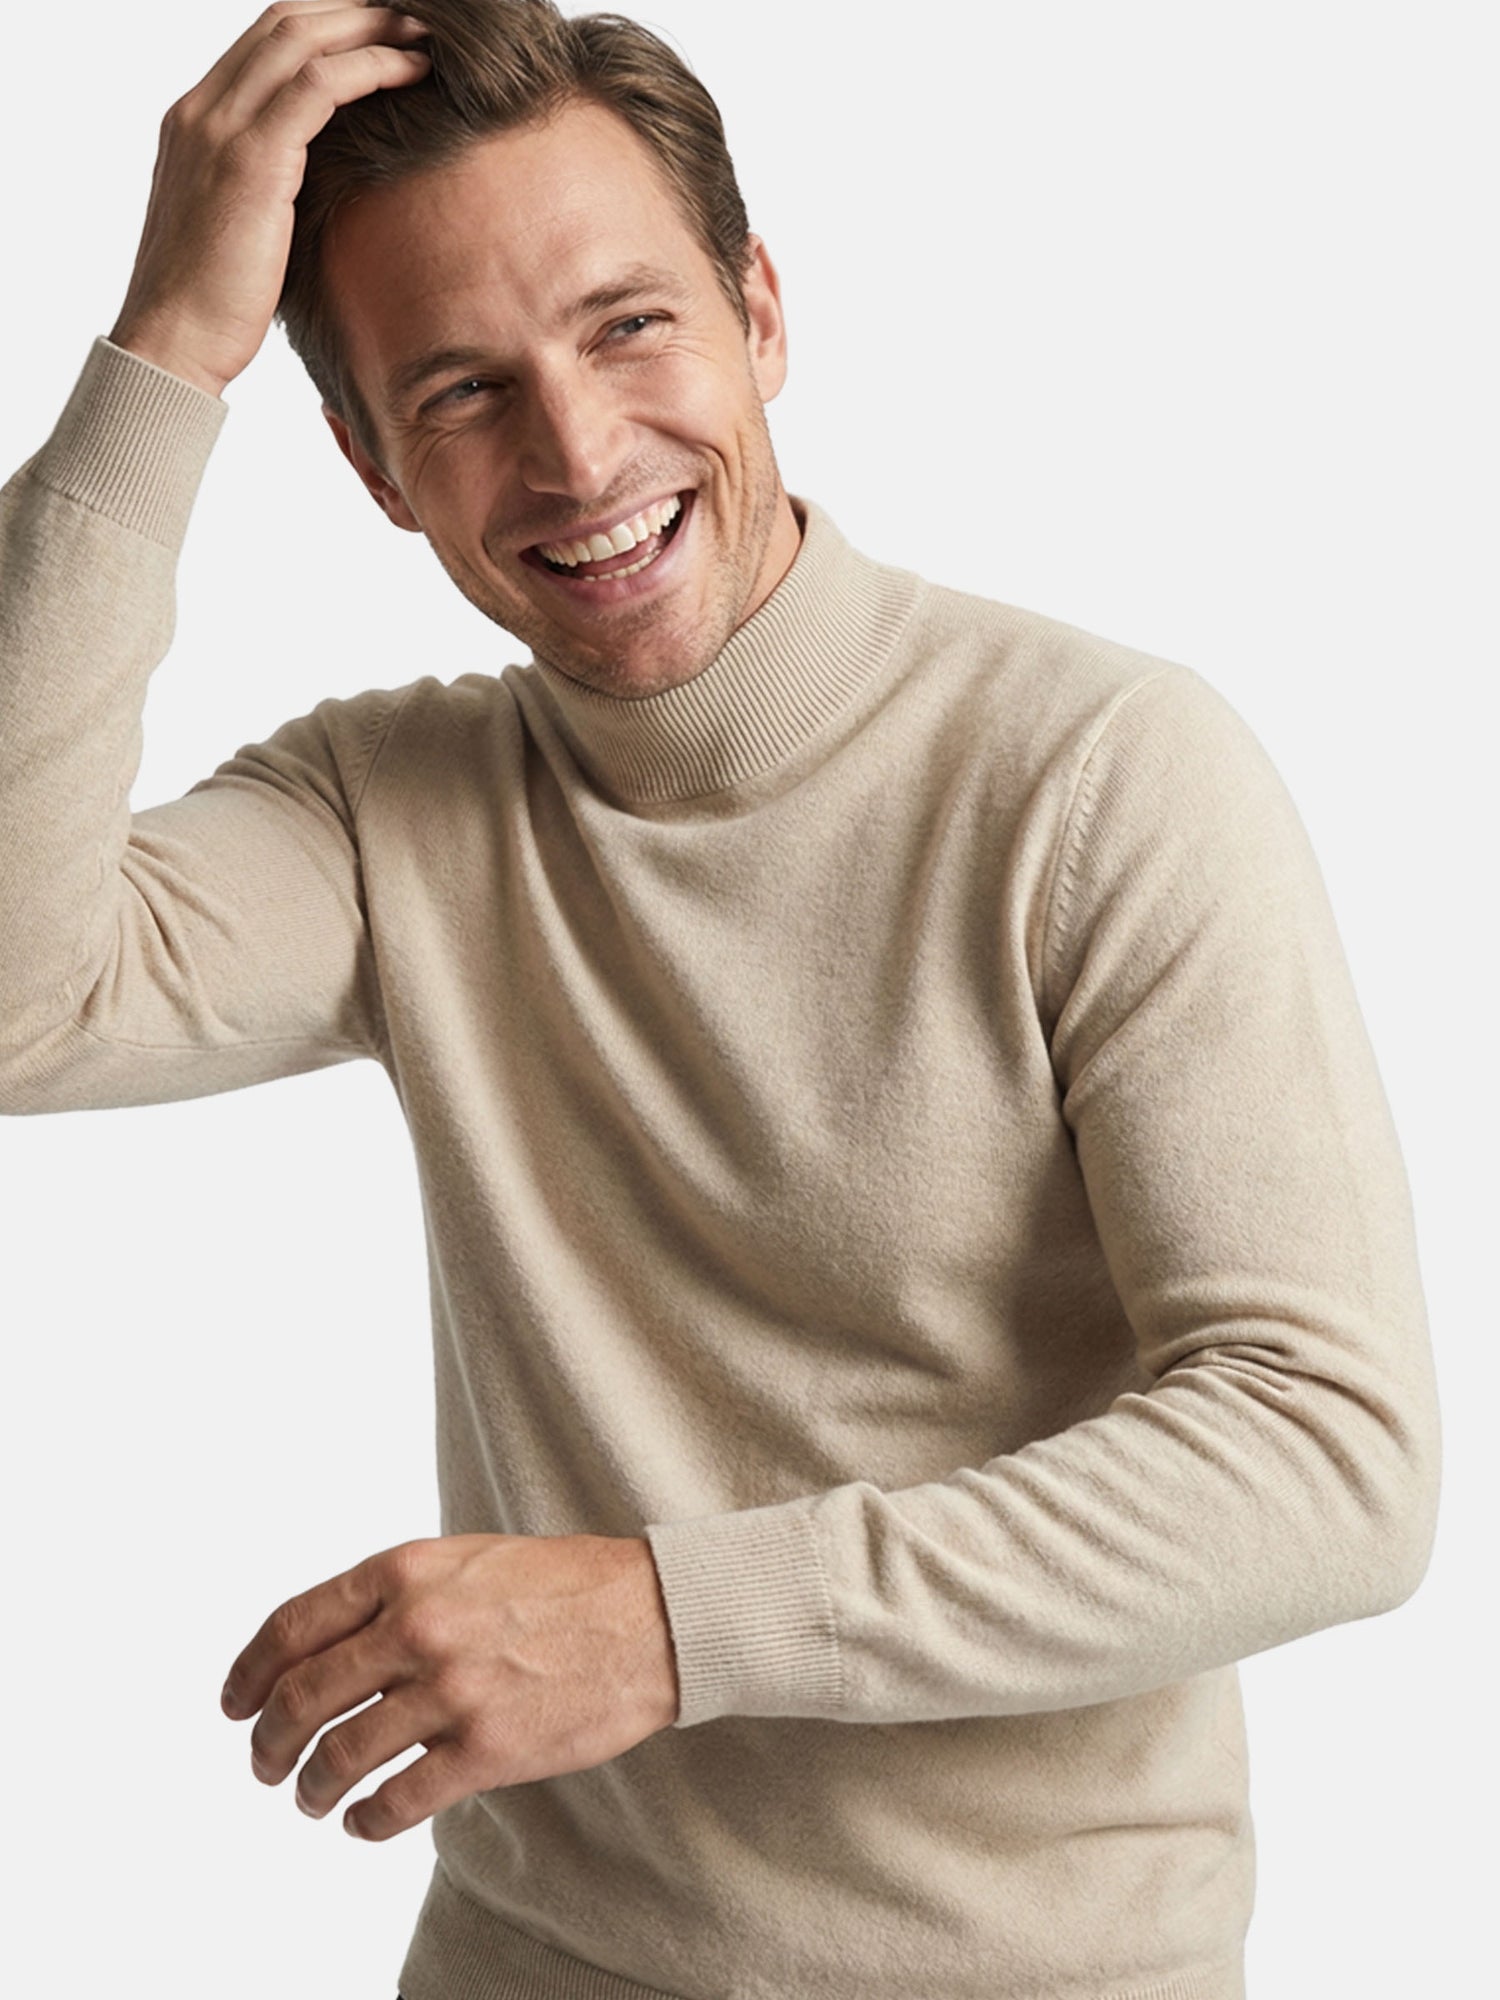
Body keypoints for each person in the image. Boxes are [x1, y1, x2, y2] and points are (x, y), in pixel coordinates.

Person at [0, 3, 1442, 1996]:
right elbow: (16, 1000)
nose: (579, 455)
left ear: (761, 313)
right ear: (373, 468)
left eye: (629, 326)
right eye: (463, 391)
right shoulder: (387, 808)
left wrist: (664, 1621)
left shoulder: (1106, 772)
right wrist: (164, 353)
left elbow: (1331, 1462)